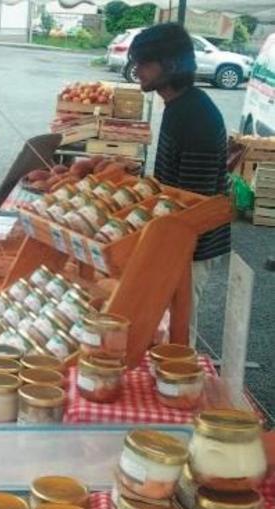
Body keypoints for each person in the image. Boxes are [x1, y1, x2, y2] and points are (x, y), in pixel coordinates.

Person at [129, 23, 230, 346]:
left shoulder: (195, 116)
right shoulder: (178, 106)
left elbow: (192, 206)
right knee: (162, 326)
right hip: (175, 238)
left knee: (175, 334)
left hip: (190, 247)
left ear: (171, 65)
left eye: (145, 62)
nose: (137, 69)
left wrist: (156, 250)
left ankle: (176, 388)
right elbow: (172, 188)